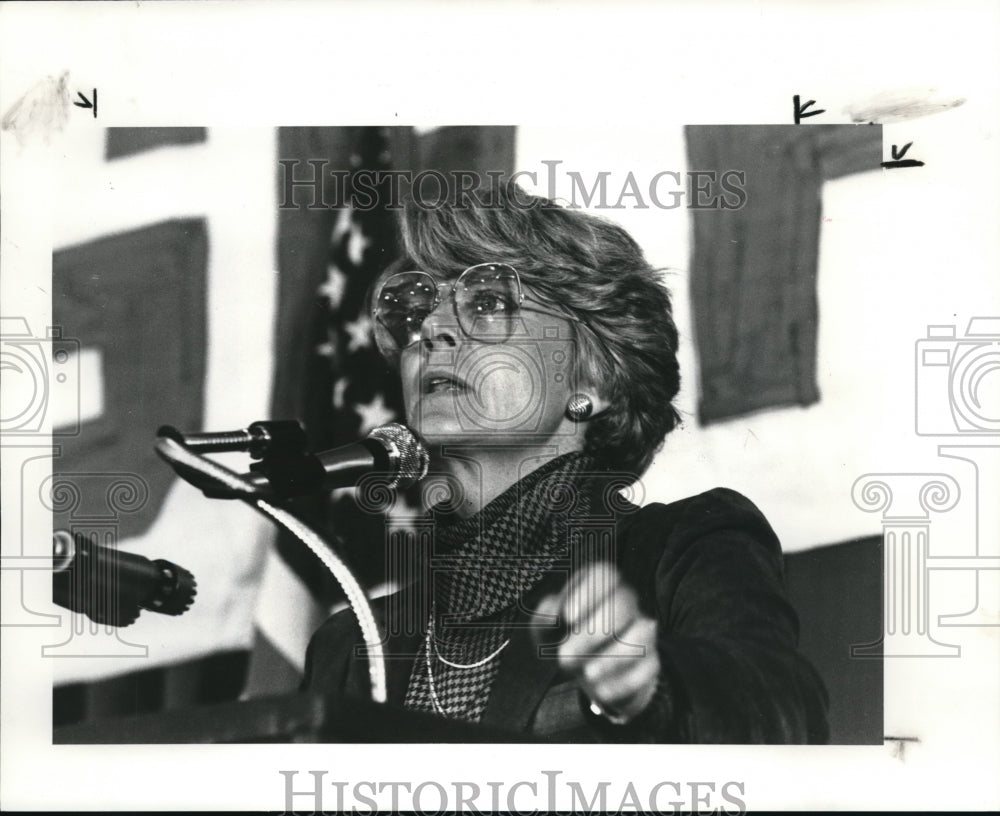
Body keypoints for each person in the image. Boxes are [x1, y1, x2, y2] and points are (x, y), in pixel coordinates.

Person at [302, 181, 829, 743]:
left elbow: (784, 714)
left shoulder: (685, 548)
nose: (433, 327)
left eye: (487, 303)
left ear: (592, 382)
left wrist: (652, 692)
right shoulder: (348, 647)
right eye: (419, 309)